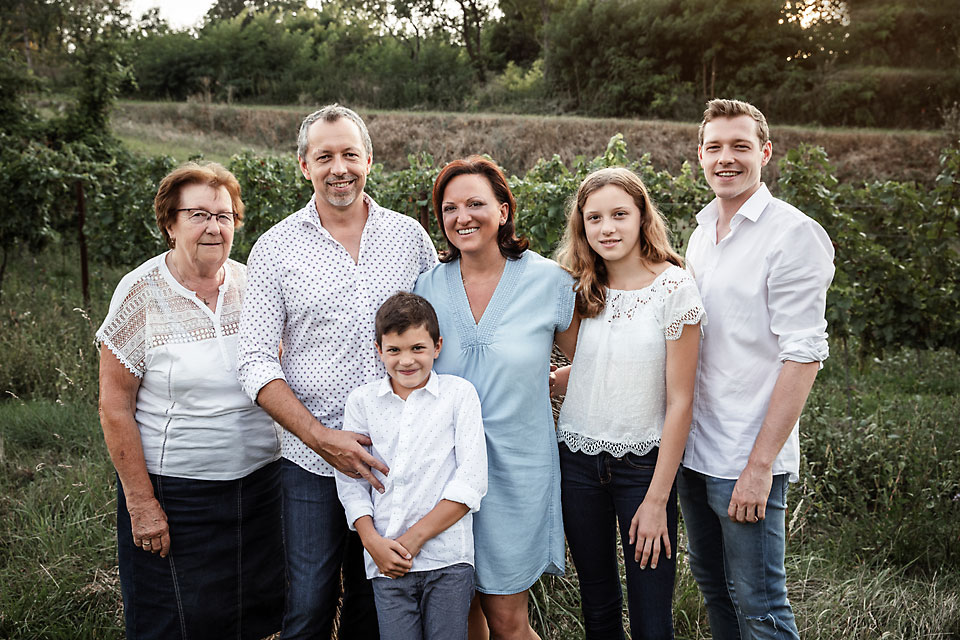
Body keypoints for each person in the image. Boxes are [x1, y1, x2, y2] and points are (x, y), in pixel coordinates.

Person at [237, 104, 438, 640]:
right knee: (308, 604)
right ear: (304, 165)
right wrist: (321, 437)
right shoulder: (275, 248)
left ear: (369, 159)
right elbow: (254, 360)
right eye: (324, 156)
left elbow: (436, 340)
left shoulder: (408, 237)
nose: (339, 168)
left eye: (350, 154)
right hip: (310, 460)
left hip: (395, 457)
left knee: (378, 601)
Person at [97, 162, 283, 640]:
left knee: (255, 618)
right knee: (177, 623)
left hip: (262, 489)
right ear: (169, 222)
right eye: (199, 214)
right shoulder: (140, 292)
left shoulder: (252, 284)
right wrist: (142, 504)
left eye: (225, 215)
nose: (213, 227)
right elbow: (114, 405)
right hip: (178, 496)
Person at [679, 98, 835, 639]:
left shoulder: (792, 234)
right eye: (715, 147)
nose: (727, 158)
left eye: (741, 146)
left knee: (761, 604)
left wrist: (760, 465)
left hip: (745, 456)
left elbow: (804, 354)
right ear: (699, 155)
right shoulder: (702, 233)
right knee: (714, 590)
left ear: (764, 152)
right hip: (694, 454)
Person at [413, 156, 579, 640]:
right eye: (449, 208)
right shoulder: (427, 288)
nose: (462, 216)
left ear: (503, 211)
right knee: (460, 618)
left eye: (475, 204)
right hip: (445, 474)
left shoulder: (549, 282)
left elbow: (593, 359)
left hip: (518, 471)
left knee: (508, 620)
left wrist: (556, 379)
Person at [550, 167, 704, 639]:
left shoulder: (674, 288)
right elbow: (593, 364)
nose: (607, 228)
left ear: (642, 216)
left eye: (619, 214)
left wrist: (658, 499)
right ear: (582, 226)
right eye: (594, 218)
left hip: (644, 470)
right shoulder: (579, 289)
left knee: (651, 614)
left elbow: (680, 401)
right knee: (597, 603)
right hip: (577, 465)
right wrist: (557, 380)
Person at [335, 292, 488, 640]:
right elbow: (352, 480)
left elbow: (472, 480)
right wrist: (371, 541)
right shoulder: (362, 402)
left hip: (447, 559)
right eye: (394, 350)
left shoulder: (458, 395)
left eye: (418, 348)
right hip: (386, 563)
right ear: (379, 350)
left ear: (437, 346)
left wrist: (414, 539)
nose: (406, 360)